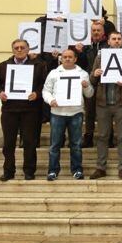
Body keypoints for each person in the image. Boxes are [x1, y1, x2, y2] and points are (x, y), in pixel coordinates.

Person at [0, 39, 46, 181]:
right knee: (8, 143)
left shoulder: (38, 65)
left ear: (28, 49)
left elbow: (44, 84)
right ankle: (8, 171)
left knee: (29, 142)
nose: (19, 50)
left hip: (30, 110)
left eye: (22, 47)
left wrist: (37, 94)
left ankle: (29, 170)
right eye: (16, 48)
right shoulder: (3, 66)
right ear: (12, 50)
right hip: (10, 109)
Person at [89, 31, 122, 179]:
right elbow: (92, 80)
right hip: (102, 102)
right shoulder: (100, 57)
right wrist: (95, 74)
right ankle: (100, 167)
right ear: (109, 41)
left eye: (119, 39)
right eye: (114, 39)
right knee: (102, 136)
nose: (117, 41)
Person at [42, 48, 94, 180]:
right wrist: (50, 100)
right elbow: (46, 91)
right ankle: (53, 170)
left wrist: (86, 86)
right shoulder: (54, 73)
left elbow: (90, 94)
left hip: (75, 113)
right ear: (61, 58)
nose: (67, 59)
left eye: (70, 57)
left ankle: (77, 170)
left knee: (76, 144)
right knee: (55, 144)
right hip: (57, 113)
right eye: (65, 57)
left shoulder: (82, 73)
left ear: (75, 58)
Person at [77, 21, 108, 148]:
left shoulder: (108, 46)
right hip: (90, 83)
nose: (96, 32)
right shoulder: (85, 47)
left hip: (105, 84)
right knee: (89, 112)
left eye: (98, 30)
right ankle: (88, 137)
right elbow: (81, 65)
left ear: (103, 32)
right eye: (94, 30)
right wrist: (79, 53)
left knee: (104, 113)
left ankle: (107, 138)